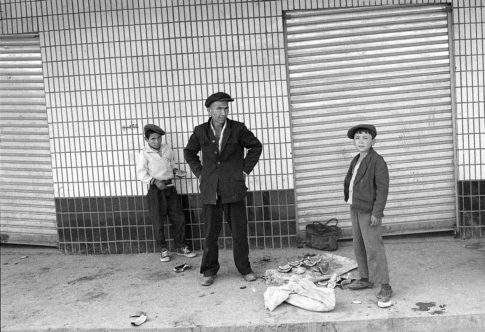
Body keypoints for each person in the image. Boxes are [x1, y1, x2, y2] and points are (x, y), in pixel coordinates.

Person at [184, 92, 262, 286]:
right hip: (211, 188)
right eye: (219, 108)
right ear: (209, 110)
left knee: (239, 230)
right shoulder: (200, 131)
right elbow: (189, 152)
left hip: (233, 187)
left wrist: (243, 171)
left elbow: (255, 146)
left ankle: (245, 268)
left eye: (226, 108)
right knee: (211, 231)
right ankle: (209, 270)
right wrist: (200, 173)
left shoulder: (238, 129)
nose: (223, 112)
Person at [343, 124, 392, 306]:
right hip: (355, 208)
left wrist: (377, 213)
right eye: (357, 138)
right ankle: (365, 278)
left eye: (365, 138)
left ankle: (385, 285)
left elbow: (382, 189)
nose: (360, 141)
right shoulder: (357, 159)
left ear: (373, 141)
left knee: (374, 248)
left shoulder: (377, 161)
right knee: (359, 246)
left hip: (369, 211)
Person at [136, 124, 196, 262]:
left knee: (179, 218)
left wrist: (176, 171)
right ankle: (163, 250)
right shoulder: (144, 154)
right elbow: (141, 173)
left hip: (170, 187)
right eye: (153, 139)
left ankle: (181, 247)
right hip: (156, 190)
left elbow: (172, 164)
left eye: (158, 138)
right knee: (158, 220)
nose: (156, 142)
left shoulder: (167, 149)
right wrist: (154, 181)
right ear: (146, 140)